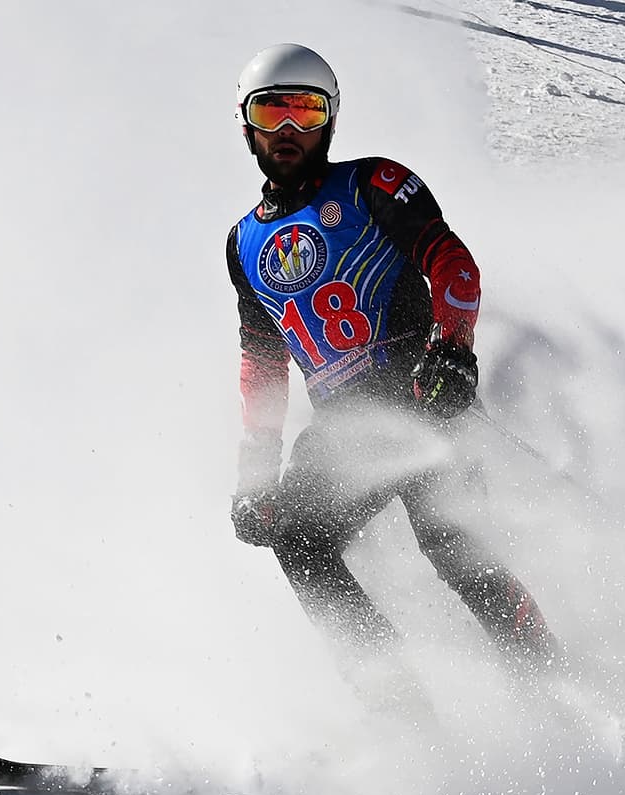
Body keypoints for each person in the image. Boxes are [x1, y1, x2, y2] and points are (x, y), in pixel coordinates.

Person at [224, 43, 556, 669]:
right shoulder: (243, 242)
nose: (290, 130)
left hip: (421, 395)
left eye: (307, 112)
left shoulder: (372, 183)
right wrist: (255, 472)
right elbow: (263, 363)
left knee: (458, 554)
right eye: (272, 114)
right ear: (246, 125)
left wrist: (453, 349)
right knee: (295, 538)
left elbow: (452, 265)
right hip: (344, 427)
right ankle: (400, 717)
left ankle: (556, 685)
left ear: (331, 119)